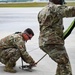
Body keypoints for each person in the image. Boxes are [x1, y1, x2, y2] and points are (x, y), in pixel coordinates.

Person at [38, 0, 75, 75]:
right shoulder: (55, 8)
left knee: (61, 62)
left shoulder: (42, 10)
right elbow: (71, 11)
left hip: (44, 42)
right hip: (53, 42)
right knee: (65, 65)